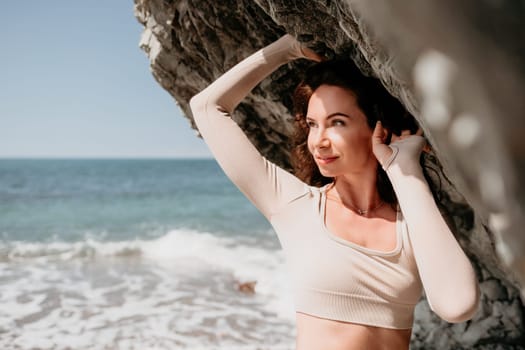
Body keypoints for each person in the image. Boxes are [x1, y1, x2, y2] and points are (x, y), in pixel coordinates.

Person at [189, 34, 479, 350]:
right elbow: (206, 107)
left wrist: (403, 169)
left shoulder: (411, 219)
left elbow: (457, 305)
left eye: (336, 122)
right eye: (312, 124)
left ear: (375, 126)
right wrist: (287, 49)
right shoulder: (294, 205)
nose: (319, 140)